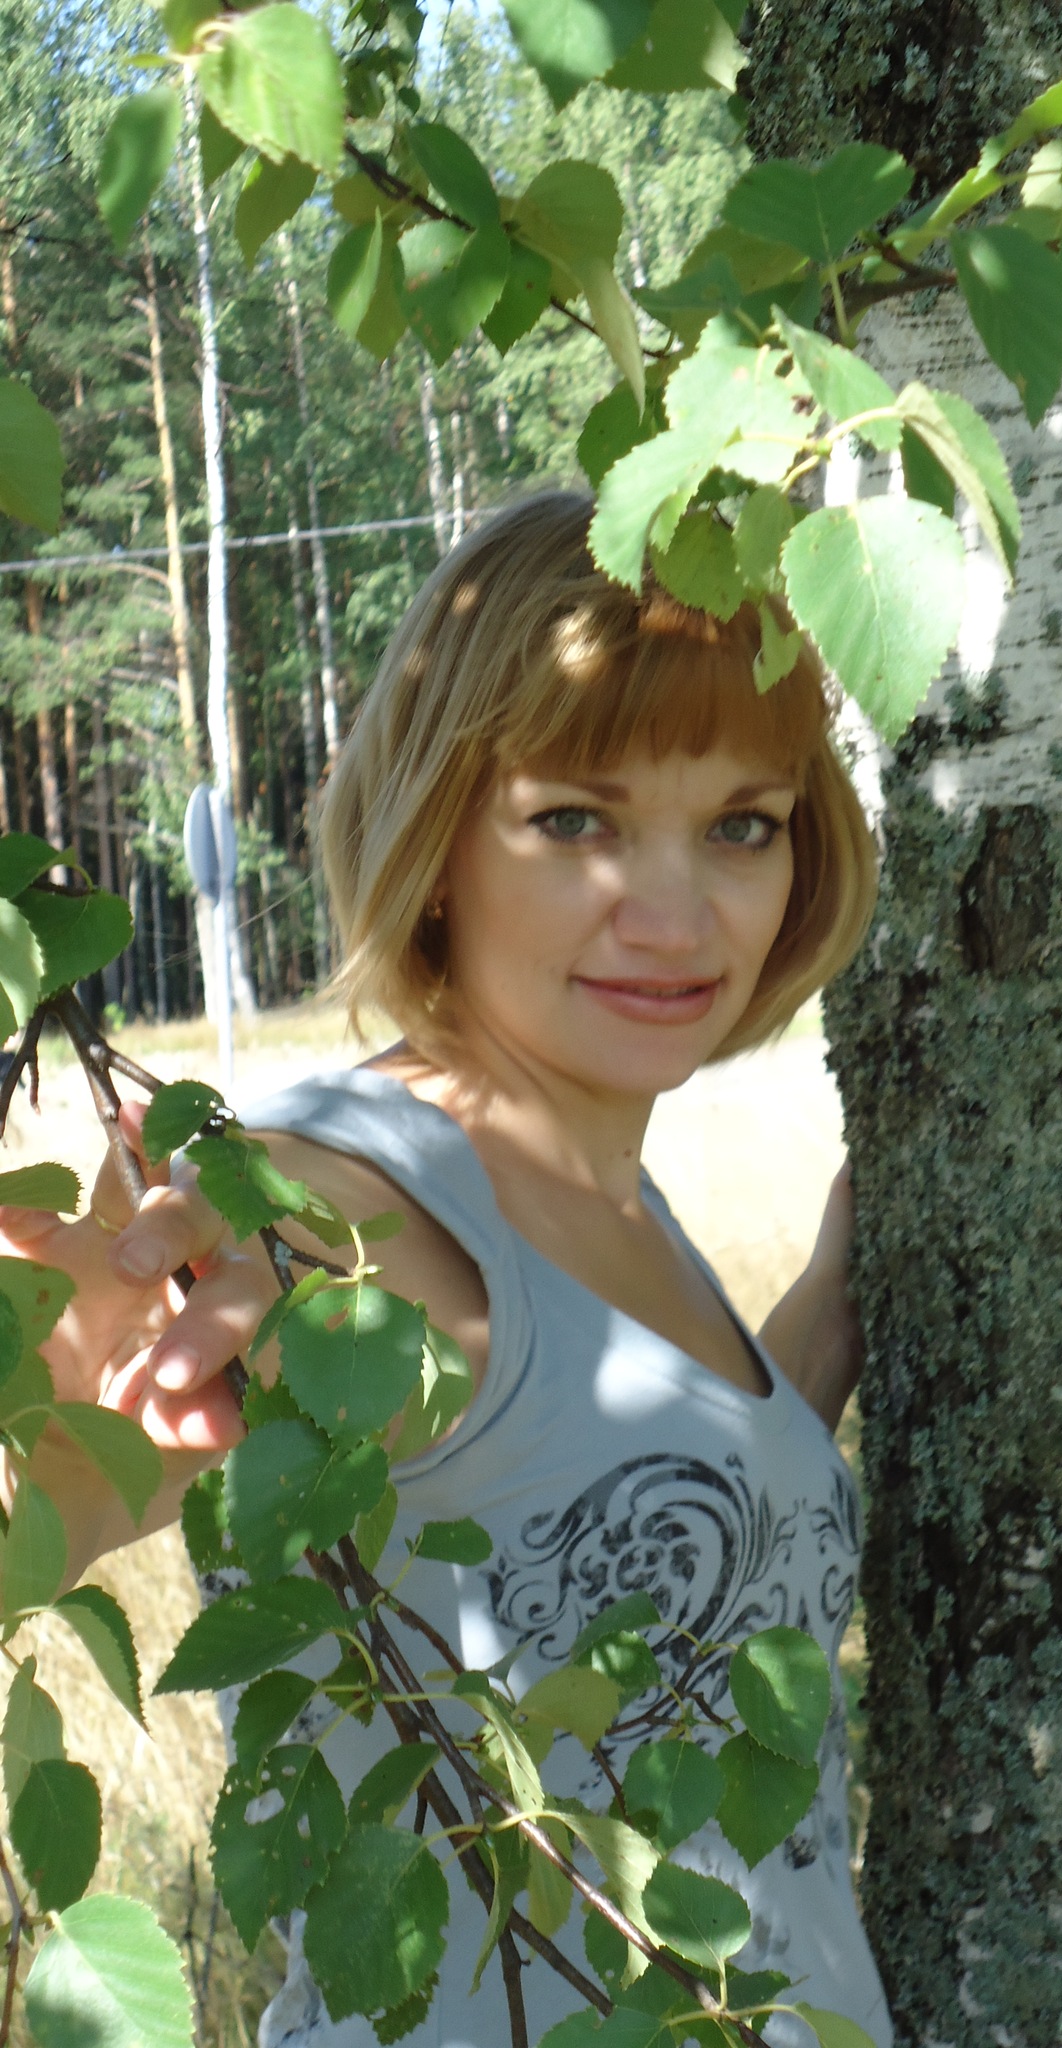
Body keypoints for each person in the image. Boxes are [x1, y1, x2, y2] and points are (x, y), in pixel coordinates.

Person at [2, 492, 891, 2048]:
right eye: (576, 822)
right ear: (435, 845)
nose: (675, 913)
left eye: (741, 824)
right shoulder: (342, 1213)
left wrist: (848, 1280)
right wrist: (55, 1435)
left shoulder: (602, 1187)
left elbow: (652, 1495)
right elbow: (162, 1399)